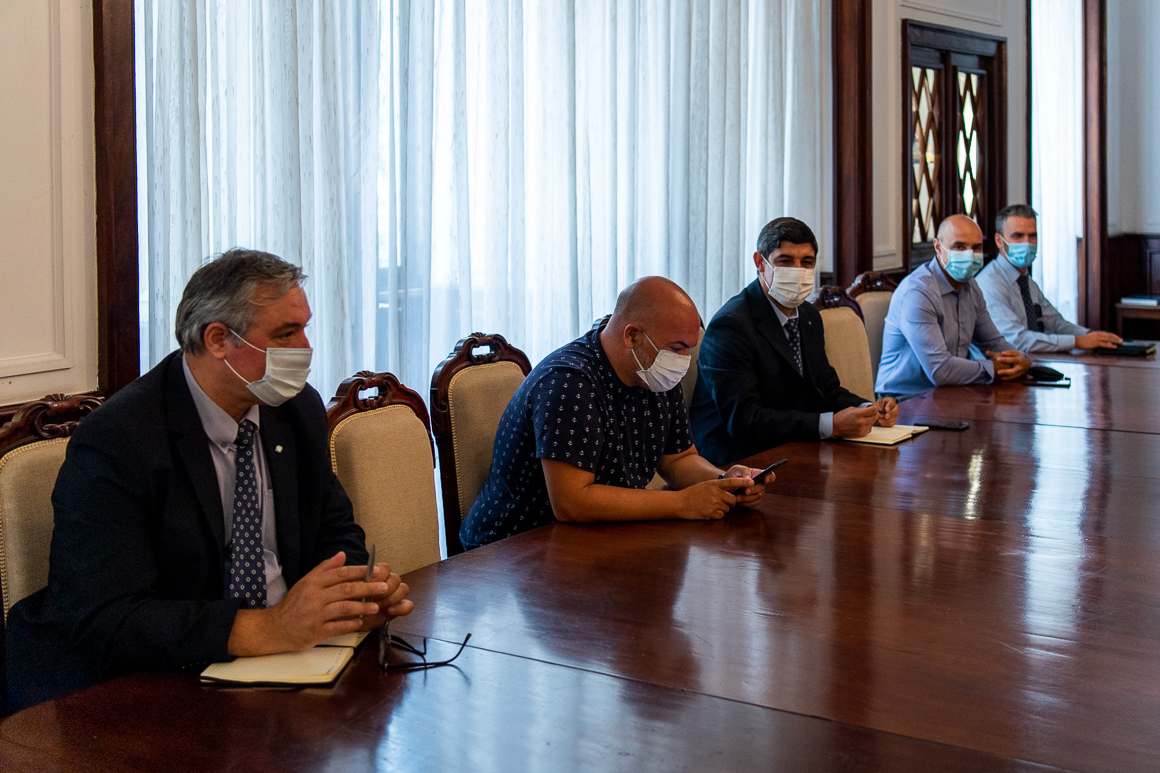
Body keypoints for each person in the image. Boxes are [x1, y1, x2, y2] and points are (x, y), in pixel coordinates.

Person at [6, 250, 413, 711]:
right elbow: (107, 618)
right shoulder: (120, 438)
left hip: (294, 669)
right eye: (285, 334)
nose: (305, 348)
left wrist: (353, 597)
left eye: (304, 328)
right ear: (218, 338)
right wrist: (267, 628)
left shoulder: (295, 410)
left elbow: (333, 529)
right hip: (153, 686)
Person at [459, 277, 769, 550]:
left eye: (689, 348)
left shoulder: (655, 372)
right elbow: (572, 503)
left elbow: (678, 460)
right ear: (632, 336)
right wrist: (682, 502)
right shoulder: (569, 383)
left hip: (597, 537)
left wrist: (724, 482)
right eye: (677, 348)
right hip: (514, 548)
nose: (684, 360)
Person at [690, 217, 899, 466]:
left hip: (794, 448)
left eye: (806, 262)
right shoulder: (731, 325)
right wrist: (831, 425)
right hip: (737, 461)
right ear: (760, 262)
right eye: (785, 261)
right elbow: (745, 419)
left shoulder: (808, 315)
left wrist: (870, 409)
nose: (797, 271)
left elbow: (825, 388)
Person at [876, 214, 1032, 396]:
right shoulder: (918, 293)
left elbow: (992, 342)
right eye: (959, 247)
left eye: (976, 248)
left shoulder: (971, 286)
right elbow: (940, 371)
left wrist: (1020, 360)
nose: (969, 255)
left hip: (951, 391)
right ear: (937, 247)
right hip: (903, 400)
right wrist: (993, 368)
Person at [976, 204, 1122, 353]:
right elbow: (1016, 340)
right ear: (999, 241)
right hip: (994, 366)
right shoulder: (990, 284)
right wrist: (1078, 342)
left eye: (1032, 236)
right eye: (1018, 236)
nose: (1027, 242)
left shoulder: (1026, 281)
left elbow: (1055, 324)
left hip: (1032, 361)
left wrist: (1090, 336)